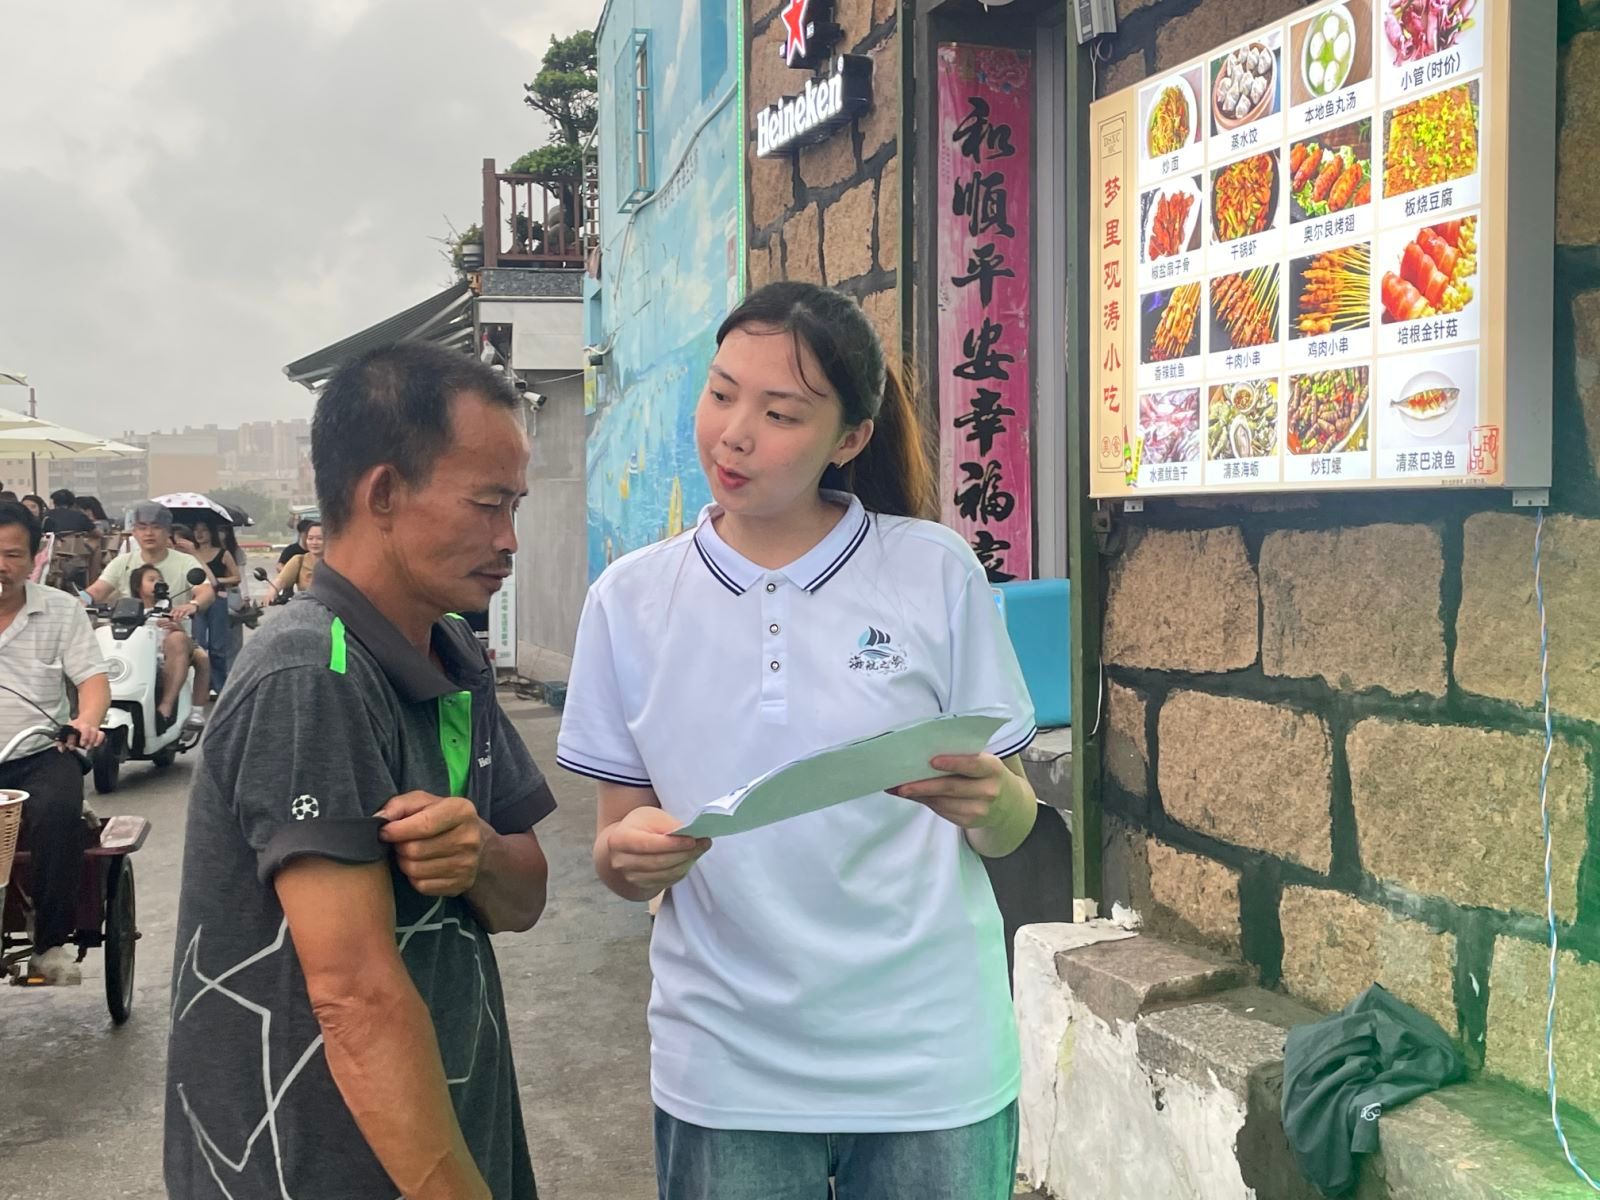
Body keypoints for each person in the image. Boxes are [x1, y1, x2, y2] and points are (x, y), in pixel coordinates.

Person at [558, 282, 1040, 1200]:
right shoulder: (629, 600)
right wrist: (629, 857)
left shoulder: (931, 568)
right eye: (721, 393)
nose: (733, 434)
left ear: (849, 439)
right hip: (725, 1065)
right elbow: (617, 849)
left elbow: (1008, 827)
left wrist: (997, 801)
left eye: (780, 414)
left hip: (930, 1058)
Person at [164, 341, 555, 1200]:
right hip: (313, 1166)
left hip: (448, 1136)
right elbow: (354, 997)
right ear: (382, 494)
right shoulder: (314, 671)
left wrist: (480, 854)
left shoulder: (451, 652)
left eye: (515, 505)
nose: (508, 539)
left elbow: (524, 897)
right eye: (488, 504)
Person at [0, 500, 109, 986]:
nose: (1, 566)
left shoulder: (61, 610)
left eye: (12, 555)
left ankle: (49, 944)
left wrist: (87, 719)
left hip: (39, 752)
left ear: (33, 559)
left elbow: (91, 680)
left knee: (59, 812)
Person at [84, 501, 213, 729]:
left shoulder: (185, 562)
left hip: (171, 633)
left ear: (167, 530)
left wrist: (192, 605)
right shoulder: (123, 562)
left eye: (155, 527)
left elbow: (205, 591)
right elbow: (97, 590)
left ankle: (166, 707)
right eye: (142, 527)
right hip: (128, 636)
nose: (148, 533)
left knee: (182, 644)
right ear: (134, 532)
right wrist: (79, 601)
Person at [188, 518, 239, 694]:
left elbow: (236, 577)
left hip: (218, 599)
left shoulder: (222, 553)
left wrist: (217, 581)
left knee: (218, 645)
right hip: (197, 601)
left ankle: (219, 685)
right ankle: (202, 684)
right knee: (199, 643)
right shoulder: (190, 555)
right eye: (196, 530)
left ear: (211, 533)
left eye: (204, 530)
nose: (199, 534)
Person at [263, 520, 322, 603]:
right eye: (310, 538)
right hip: (306, 606)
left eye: (319, 538)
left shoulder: (337, 561)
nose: (314, 542)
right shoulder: (299, 560)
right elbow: (281, 580)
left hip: (333, 608)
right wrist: (272, 593)